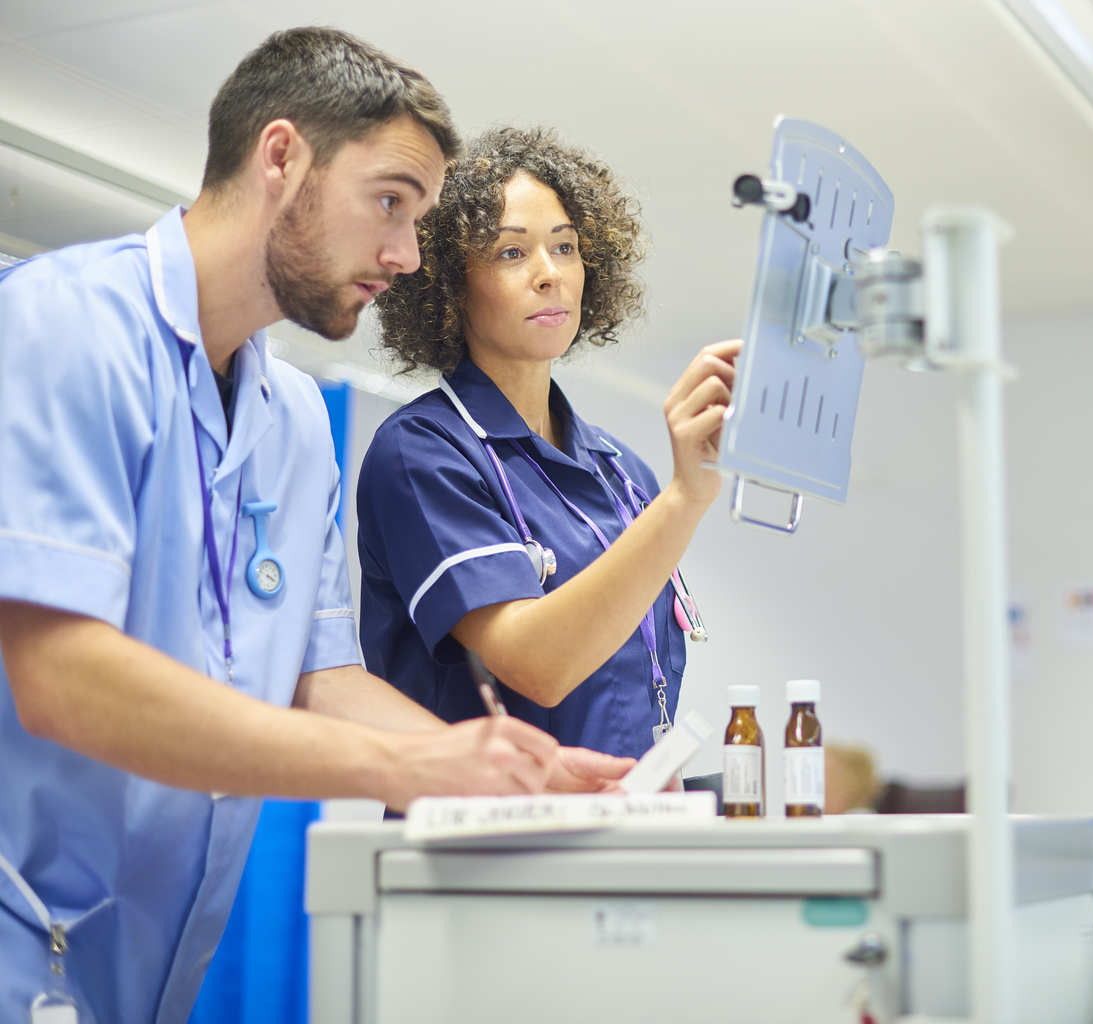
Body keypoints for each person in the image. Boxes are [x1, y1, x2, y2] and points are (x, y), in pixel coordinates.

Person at [0, 30, 630, 1024]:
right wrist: (407, 768)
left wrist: (509, 778)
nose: (407, 254)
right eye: (390, 201)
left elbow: (320, 677)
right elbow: (62, 675)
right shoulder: (63, 325)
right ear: (282, 157)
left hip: (152, 969)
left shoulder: (294, 421)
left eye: (418, 219)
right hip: (23, 935)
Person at [359, 126, 738, 759]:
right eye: (511, 254)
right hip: (490, 840)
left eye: (564, 248)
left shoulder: (624, 473)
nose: (548, 274)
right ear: (448, 284)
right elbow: (538, 667)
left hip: (620, 824)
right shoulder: (423, 452)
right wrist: (684, 500)